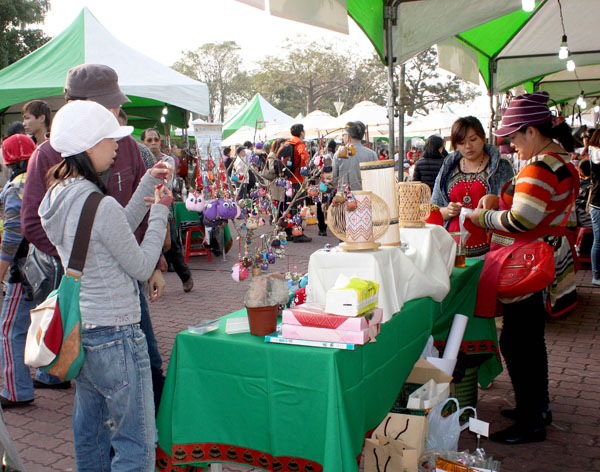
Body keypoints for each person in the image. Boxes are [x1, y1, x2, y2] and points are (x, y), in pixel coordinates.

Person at [21, 64, 168, 402]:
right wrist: (81, 256)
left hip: (129, 278)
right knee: (98, 387)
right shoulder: (46, 155)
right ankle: (140, 444)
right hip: (87, 291)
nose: (117, 112)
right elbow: (31, 222)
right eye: (110, 104)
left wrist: (156, 263)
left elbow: (138, 209)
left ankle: (153, 440)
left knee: (148, 362)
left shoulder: (128, 146)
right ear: (82, 105)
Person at [41, 99, 170, 470]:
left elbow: (113, 230)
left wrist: (148, 183)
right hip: (117, 333)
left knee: (92, 438)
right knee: (136, 445)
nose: (117, 146)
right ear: (89, 145)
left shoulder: (58, 195)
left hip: (84, 331)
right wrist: (160, 211)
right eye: (110, 139)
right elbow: (142, 265)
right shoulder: (97, 202)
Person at [466, 92, 579, 444]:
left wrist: (481, 215)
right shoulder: (558, 159)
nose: (512, 145)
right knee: (529, 339)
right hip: (547, 256)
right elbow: (535, 206)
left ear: (532, 131)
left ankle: (531, 421)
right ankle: (537, 406)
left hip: (531, 261)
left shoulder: (541, 165)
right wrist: (498, 199)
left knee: (518, 342)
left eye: (514, 137)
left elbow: (522, 219)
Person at [431, 116, 514, 257]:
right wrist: (448, 211)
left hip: (491, 250)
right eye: (461, 142)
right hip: (451, 250)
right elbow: (434, 208)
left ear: (483, 138)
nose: (468, 146)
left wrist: (494, 201)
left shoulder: (501, 167)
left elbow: (511, 206)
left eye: (473, 140)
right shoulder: (448, 168)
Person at [0, 134, 37, 408]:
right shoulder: (43, 179)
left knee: (11, 329)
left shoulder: (14, 188)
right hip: (48, 263)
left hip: (22, 269)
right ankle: (51, 374)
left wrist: (1, 269)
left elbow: (13, 234)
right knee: (44, 322)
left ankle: (16, 390)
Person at [142, 128, 193, 293]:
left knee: (169, 243)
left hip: (164, 207)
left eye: (155, 139)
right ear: (143, 143)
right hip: (143, 207)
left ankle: (185, 276)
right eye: (149, 140)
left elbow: (166, 184)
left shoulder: (167, 160)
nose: (153, 143)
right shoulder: (140, 160)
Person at [279, 123, 311, 243]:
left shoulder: (287, 144)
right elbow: (305, 158)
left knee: (289, 205)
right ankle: (297, 234)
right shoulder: (300, 145)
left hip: (287, 179)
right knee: (297, 207)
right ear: (301, 132)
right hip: (297, 179)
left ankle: (288, 232)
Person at [332, 121, 378, 190]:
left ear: (348, 136)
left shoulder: (339, 154)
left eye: (343, 134)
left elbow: (335, 178)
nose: (343, 137)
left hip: (345, 197)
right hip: (366, 195)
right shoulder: (372, 154)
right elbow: (376, 177)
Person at [587, 129, 600, 285]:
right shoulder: (596, 153)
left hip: (596, 202)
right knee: (598, 240)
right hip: (597, 203)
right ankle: (596, 276)